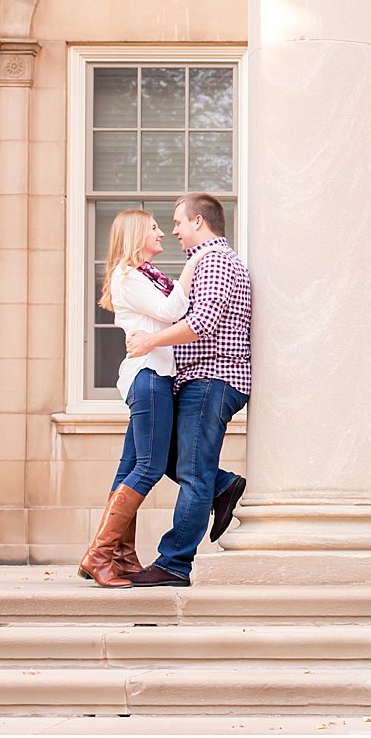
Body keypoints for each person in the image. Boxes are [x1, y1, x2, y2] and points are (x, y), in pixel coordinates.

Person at [78, 209, 220, 588]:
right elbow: (173, 310)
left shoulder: (146, 277)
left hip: (155, 377)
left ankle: (119, 556)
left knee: (130, 467)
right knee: (150, 468)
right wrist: (197, 261)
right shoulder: (128, 277)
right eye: (155, 228)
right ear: (137, 235)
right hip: (149, 378)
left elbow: (177, 311)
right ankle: (98, 554)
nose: (162, 233)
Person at [122, 192, 251, 587]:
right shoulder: (210, 261)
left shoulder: (213, 261)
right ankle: (223, 484)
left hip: (212, 379)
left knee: (192, 473)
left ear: (199, 221)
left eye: (178, 222)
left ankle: (174, 563)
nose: (174, 230)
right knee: (168, 459)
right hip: (199, 381)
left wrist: (149, 342)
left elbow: (203, 322)